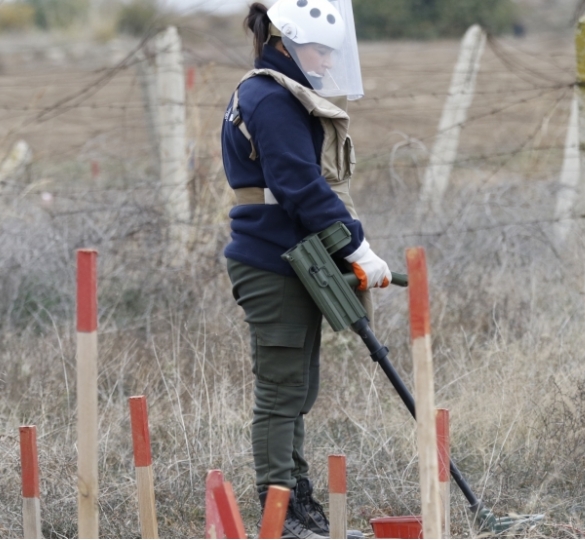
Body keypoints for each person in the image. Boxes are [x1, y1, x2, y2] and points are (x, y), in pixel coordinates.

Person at [221, 0, 388, 537]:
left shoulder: (280, 92)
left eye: (332, 52)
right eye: (319, 50)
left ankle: (300, 504)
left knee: (297, 390)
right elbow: (299, 185)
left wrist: (350, 251)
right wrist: (357, 249)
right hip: (271, 262)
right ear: (285, 42)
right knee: (280, 393)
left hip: (297, 260)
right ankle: (282, 517)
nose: (326, 61)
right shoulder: (269, 98)